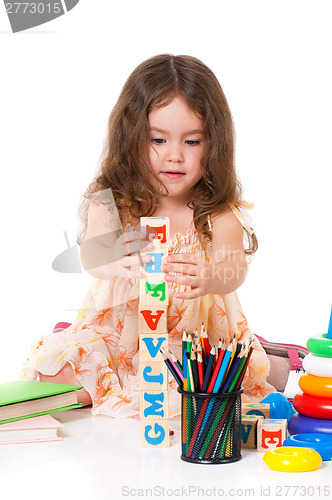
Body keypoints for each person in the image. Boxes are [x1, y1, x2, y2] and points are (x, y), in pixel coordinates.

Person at [21, 54, 275, 417]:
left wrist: (212, 276)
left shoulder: (216, 213)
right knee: (52, 376)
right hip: (115, 335)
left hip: (188, 343)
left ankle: (274, 359)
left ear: (214, 144)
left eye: (192, 142)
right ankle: (106, 376)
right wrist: (110, 259)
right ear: (131, 138)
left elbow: (235, 267)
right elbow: (90, 258)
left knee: (188, 394)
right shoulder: (111, 200)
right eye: (158, 139)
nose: (174, 156)